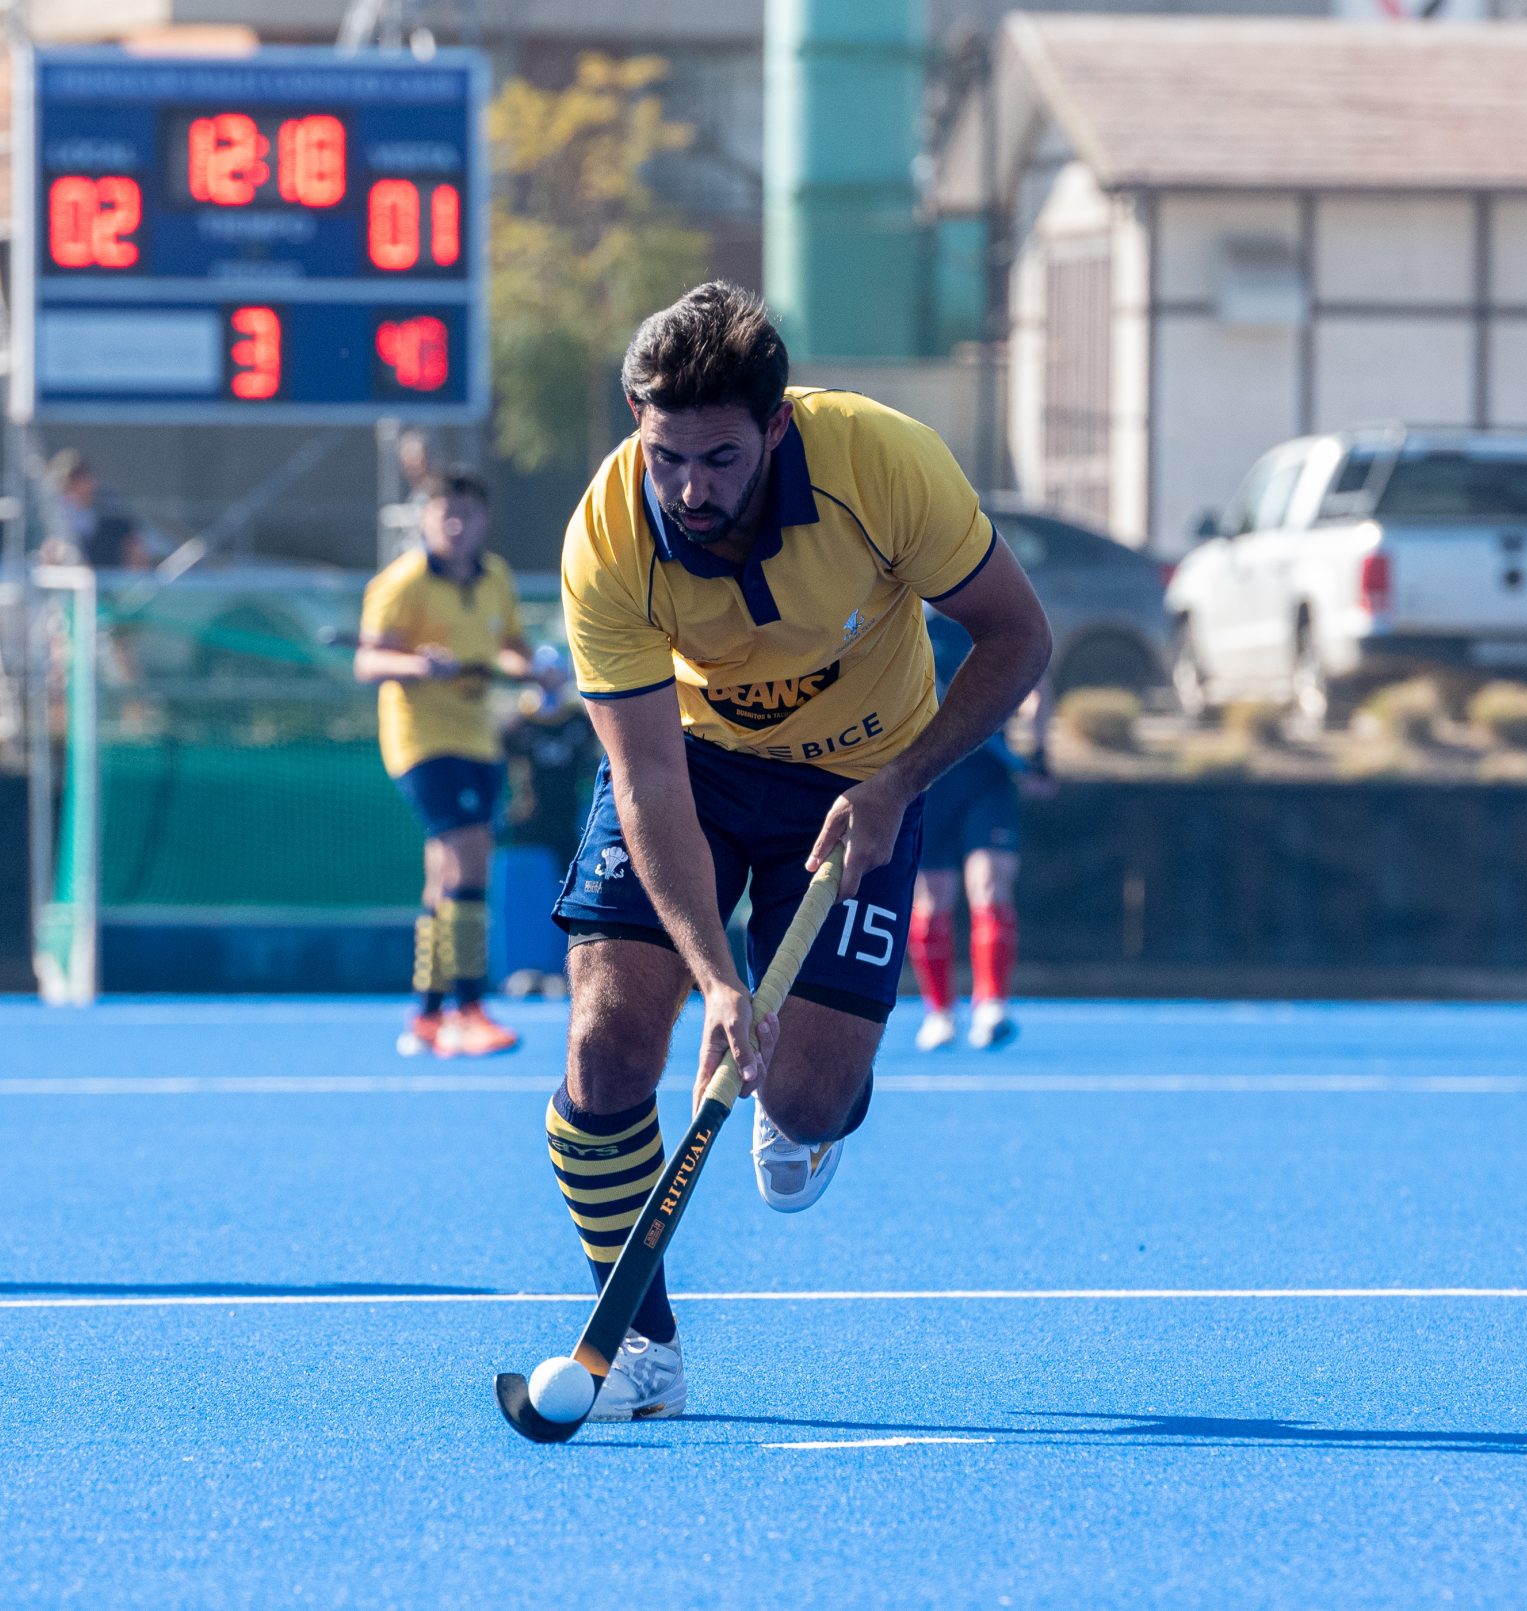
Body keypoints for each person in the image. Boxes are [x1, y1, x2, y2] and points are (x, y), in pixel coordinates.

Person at [545, 282, 1050, 1419]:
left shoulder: (882, 463)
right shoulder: (607, 537)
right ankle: (640, 1352)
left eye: (720, 458)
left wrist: (900, 784)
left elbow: (1020, 636)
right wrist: (717, 978)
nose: (690, 488)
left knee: (810, 1099)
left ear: (777, 426)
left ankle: (812, 1111)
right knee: (607, 1048)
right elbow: (646, 780)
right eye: (667, 455)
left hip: (862, 774)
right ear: (637, 424)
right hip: (692, 765)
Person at [357, 468, 536, 1058]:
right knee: (470, 852)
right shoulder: (402, 583)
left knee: (445, 873)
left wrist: (534, 671)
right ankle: (469, 1009)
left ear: (484, 520)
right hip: (421, 740)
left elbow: (511, 649)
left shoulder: (497, 577)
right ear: (426, 520)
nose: (456, 526)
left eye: (467, 515)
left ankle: (427, 1015)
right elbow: (368, 663)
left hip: (479, 739)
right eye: (445, 515)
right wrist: (417, 665)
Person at [908, 608, 1050, 1050]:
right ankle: (939, 1012)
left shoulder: (985, 612)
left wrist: (1040, 753)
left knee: (991, 882)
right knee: (931, 896)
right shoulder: (905, 622)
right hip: (928, 779)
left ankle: (992, 1005)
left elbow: (1034, 681)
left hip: (986, 779)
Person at [497, 646, 600, 996]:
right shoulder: (517, 725)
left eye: (556, 670)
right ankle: (525, 968)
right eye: (544, 670)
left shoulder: (580, 722)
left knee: (569, 899)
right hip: (528, 827)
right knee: (529, 897)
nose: (550, 678)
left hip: (571, 826)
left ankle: (564, 970)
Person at [42, 449, 154, 571]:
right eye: (74, 481)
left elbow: (134, 546)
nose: (89, 485)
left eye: (84, 478)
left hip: (107, 576)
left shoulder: (110, 511)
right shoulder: (47, 518)